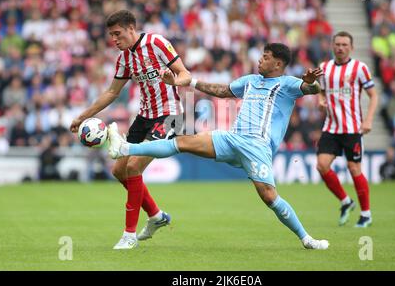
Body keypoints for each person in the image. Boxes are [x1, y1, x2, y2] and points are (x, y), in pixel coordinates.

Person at [107, 43, 329, 250]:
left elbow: (310, 88)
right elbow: (222, 91)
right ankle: (125, 148)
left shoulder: (288, 84)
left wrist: (310, 82)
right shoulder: (250, 80)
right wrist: (188, 82)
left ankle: (307, 239)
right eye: (262, 55)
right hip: (232, 139)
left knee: (269, 197)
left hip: (257, 147)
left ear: (278, 64)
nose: (260, 60)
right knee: (183, 142)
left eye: (266, 57)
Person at [69, 10, 191, 249]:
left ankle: (129, 235)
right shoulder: (125, 58)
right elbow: (112, 92)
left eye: (117, 34)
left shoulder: (156, 43)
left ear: (131, 29)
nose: (114, 40)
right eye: (111, 36)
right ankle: (156, 216)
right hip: (144, 116)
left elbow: (185, 74)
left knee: (134, 166)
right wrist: (82, 117)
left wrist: (173, 81)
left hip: (170, 114)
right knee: (119, 170)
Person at [316, 31, 378, 228]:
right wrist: (320, 100)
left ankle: (366, 214)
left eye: (344, 44)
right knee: (322, 165)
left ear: (351, 47)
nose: (340, 48)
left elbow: (374, 95)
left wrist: (368, 120)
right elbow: (322, 90)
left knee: (354, 169)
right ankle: (345, 201)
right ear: (332, 46)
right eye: (337, 44)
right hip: (331, 127)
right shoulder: (324, 68)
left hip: (352, 128)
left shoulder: (360, 68)